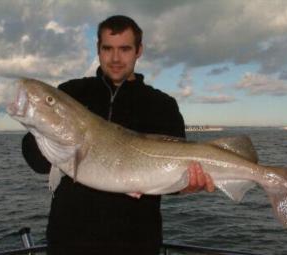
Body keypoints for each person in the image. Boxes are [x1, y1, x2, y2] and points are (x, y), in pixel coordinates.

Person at [21, 15, 214, 255]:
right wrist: (43, 131)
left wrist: (188, 184)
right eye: (107, 48)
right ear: (98, 50)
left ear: (139, 51)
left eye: (125, 49)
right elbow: (37, 162)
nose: (115, 58)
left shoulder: (162, 105)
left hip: (137, 244)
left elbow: (169, 182)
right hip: (68, 242)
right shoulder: (72, 92)